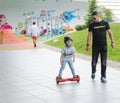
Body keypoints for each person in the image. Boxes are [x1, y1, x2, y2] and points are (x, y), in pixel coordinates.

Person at [86, 11, 115, 83]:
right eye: (92, 18)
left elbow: (110, 32)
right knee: (94, 62)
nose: (93, 20)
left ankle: (103, 77)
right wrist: (88, 44)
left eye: (94, 18)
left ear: (98, 16)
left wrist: (112, 42)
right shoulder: (91, 25)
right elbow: (89, 35)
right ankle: (93, 71)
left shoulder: (105, 23)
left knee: (104, 62)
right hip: (95, 46)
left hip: (103, 46)